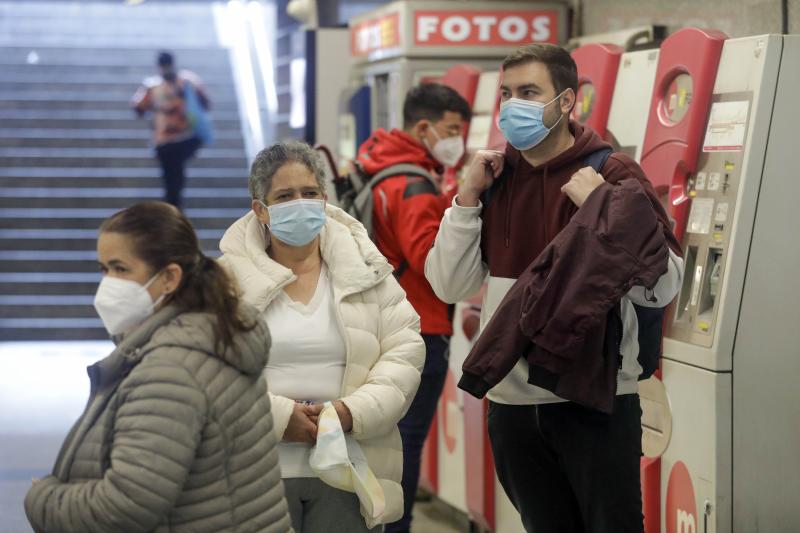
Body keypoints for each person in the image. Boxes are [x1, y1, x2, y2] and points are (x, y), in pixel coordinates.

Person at [425, 44, 684, 532]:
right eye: (506, 93)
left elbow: (663, 285)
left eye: (528, 92)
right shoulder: (496, 179)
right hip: (513, 408)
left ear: (566, 102)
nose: (512, 106)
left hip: (596, 402)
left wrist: (603, 214)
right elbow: (448, 283)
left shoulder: (612, 173)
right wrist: (466, 198)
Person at [24, 202, 292, 532]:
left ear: (169, 278)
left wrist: (44, 499)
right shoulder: (212, 333)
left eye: (121, 269)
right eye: (103, 269)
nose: (108, 283)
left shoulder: (171, 370)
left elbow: (127, 505)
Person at [218, 141, 425, 533]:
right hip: (253, 474)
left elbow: (405, 351)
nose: (300, 203)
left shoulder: (367, 272)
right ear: (260, 209)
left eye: (309, 193)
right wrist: (278, 418)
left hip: (350, 467)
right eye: (284, 196)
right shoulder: (224, 281)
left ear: (325, 198)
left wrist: (349, 414)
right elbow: (207, 371)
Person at [354, 82, 471, 533]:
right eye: (451, 129)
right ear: (424, 127)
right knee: (404, 447)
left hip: (380, 324)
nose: (456, 139)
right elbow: (431, 261)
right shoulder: (414, 184)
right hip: (419, 327)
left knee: (383, 445)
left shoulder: (377, 162)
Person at [131, 51, 210, 208]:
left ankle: (173, 207)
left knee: (173, 177)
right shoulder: (186, 81)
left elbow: (138, 107)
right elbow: (206, 103)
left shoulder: (155, 85)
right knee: (174, 177)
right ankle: (173, 207)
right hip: (178, 139)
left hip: (172, 139)